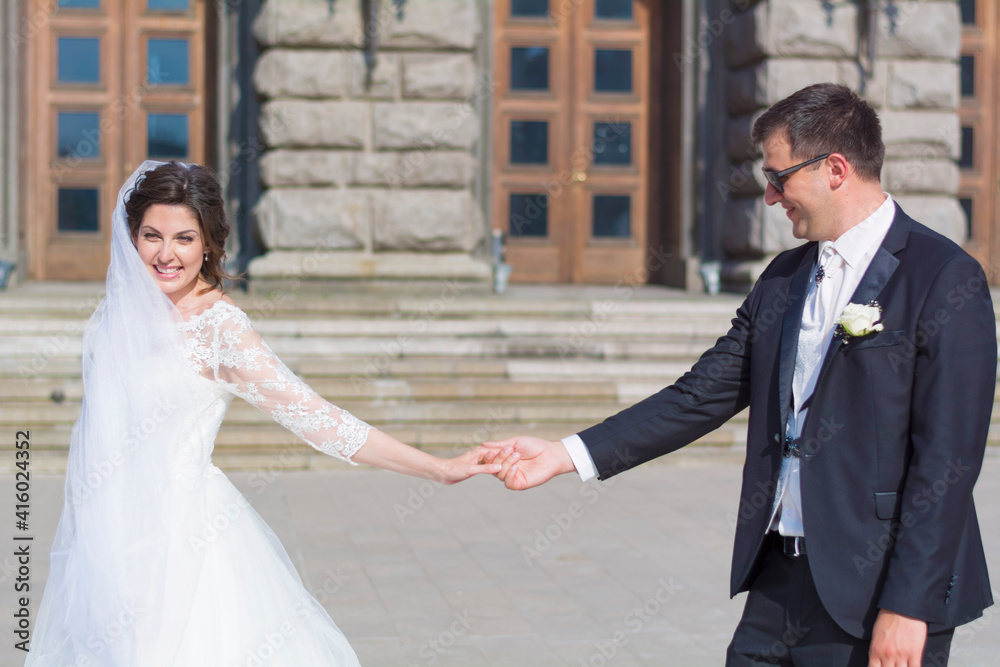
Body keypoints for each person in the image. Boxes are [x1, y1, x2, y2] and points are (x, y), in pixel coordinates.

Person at [483, 83, 995, 666]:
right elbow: (699, 394)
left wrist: (910, 607)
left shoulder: (945, 278)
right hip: (779, 580)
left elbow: (947, 464)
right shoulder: (784, 276)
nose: (772, 198)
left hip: (879, 589)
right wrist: (566, 454)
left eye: (779, 179)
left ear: (834, 168)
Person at [25, 160, 502, 667]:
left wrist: (439, 468)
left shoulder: (221, 329)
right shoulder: (110, 322)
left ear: (207, 243)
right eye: (151, 236)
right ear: (132, 238)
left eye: (184, 238)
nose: (166, 254)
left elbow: (318, 417)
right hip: (110, 544)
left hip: (190, 543)